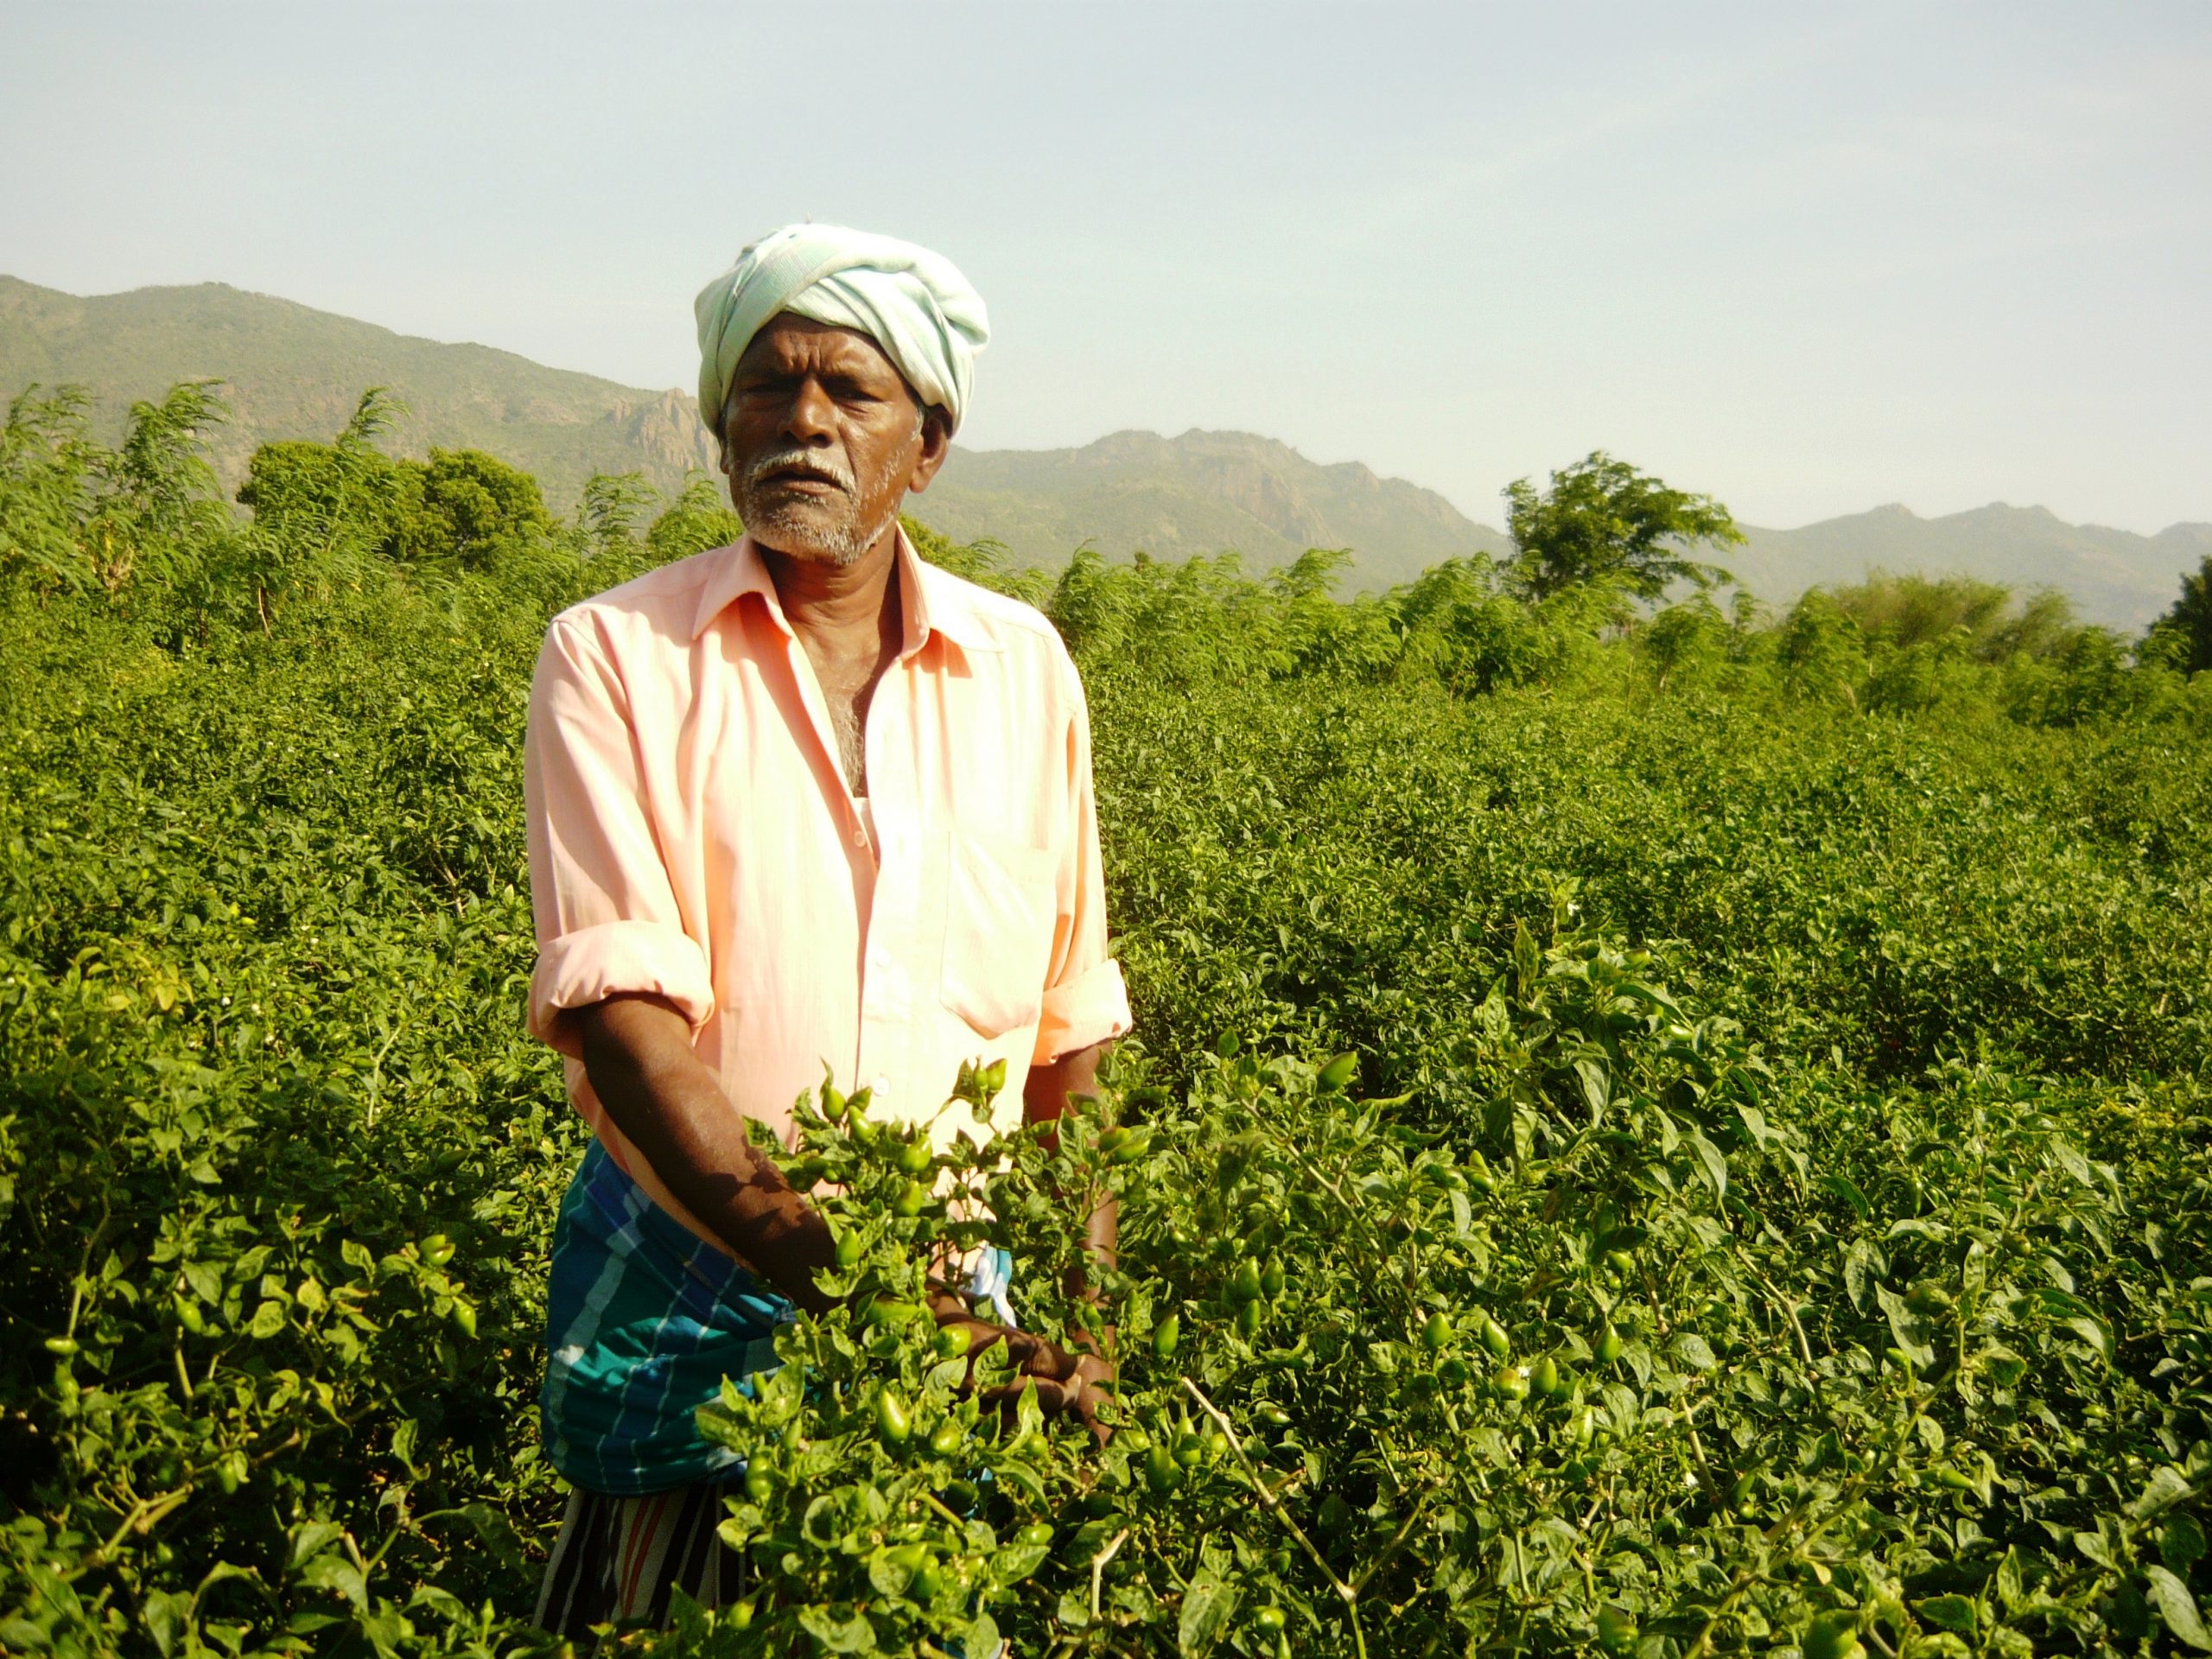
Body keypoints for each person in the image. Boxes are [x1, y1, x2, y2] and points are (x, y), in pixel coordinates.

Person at [522, 225, 1131, 1634]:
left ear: (928, 444)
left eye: (849, 392)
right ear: (720, 432)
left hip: (964, 1308)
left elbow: (1071, 1034)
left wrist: (1085, 1325)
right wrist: (891, 1313)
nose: (801, 420)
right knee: (672, 1613)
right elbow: (628, 1030)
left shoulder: (1024, 668)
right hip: (698, 1285)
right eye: (765, 389)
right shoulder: (615, 653)